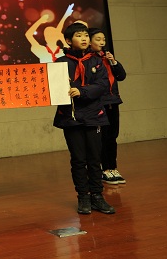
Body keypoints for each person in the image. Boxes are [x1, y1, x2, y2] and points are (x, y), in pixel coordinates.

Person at [53, 22, 115, 215]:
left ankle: (97, 196)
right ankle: (83, 197)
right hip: (71, 117)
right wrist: (63, 87)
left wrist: (81, 91)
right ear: (68, 40)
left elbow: (103, 85)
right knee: (79, 160)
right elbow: (54, 88)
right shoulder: (60, 63)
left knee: (95, 159)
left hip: (94, 115)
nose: (84, 39)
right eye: (79, 35)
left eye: (86, 35)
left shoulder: (96, 61)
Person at [88, 28, 127, 185]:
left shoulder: (107, 57)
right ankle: (104, 170)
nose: (102, 42)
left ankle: (112, 167)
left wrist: (114, 62)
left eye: (103, 39)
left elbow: (121, 76)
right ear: (89, 42)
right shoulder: (89, 60)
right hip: (99, 103)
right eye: (98, 39)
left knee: (112, 136)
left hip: (113, 101)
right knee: (102, 138)